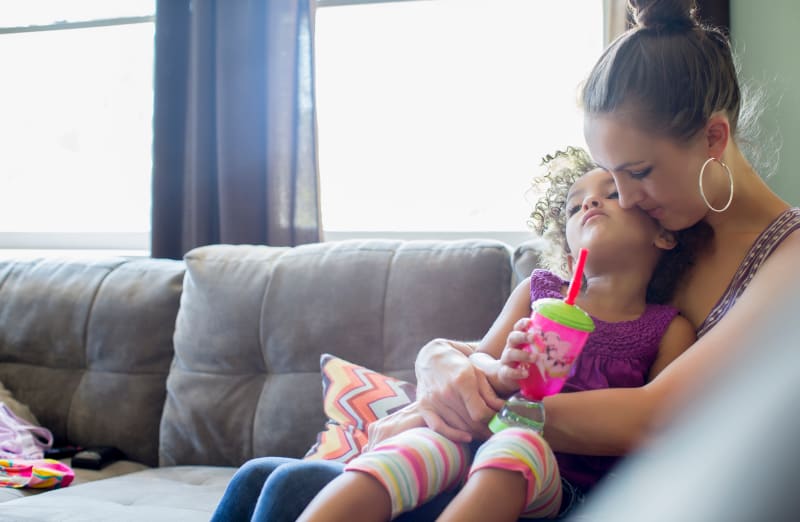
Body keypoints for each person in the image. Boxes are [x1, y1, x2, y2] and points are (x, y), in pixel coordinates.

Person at [211, 0, 800, 519]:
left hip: (594, 488)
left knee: (292, 488)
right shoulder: (665, 226)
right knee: (262, 475)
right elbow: (507, 352)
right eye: (612, 176)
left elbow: (655, 416)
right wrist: (436, 360)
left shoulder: (788, 258)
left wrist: (478, 412)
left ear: (715, 139)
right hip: (520, 450)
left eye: (636, 175)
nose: (627, 198)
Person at [294, 147, 696, 522]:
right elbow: (479, 362)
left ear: (664, 235)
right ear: (569, 252)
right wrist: (503, 371)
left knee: (517, 445)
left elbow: (657, 425)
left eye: (610, 194)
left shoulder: (667, 329)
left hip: (569, 490)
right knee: (419, 444)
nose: (589, 204)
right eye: (574, 206)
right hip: (476, 446)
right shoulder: (538, 294)